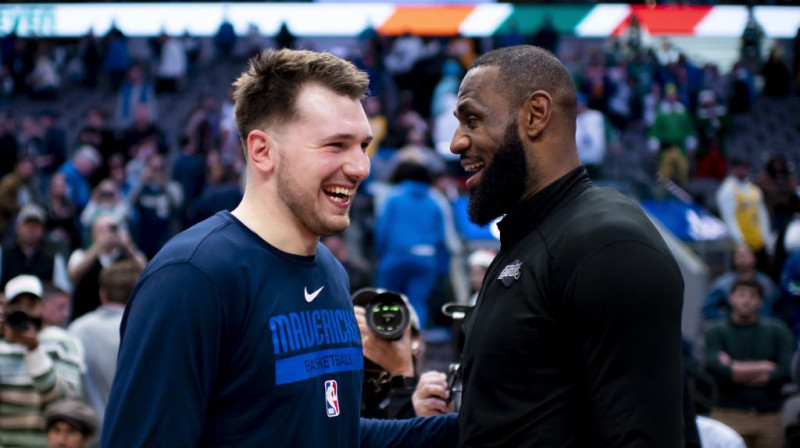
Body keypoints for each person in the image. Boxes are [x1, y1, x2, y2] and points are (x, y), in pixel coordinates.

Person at [102, 48, 457, 447]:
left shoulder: (330, 271)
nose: (361, 167)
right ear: (262, 151)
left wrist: (468, 428)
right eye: (336, 145)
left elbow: (329, 432)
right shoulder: (191, 277)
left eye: (362, 145)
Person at [449, 45, 684, 446]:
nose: (456, 142)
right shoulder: (529, 237)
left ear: (535, 115)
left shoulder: (609, 243)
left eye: (472, 120)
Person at [704, 278, 794, 448]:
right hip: (727, 414)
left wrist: (734, 367)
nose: (746, 301)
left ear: (761, 301)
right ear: (730, 298)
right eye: (741, 295)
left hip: (768, 417)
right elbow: (716, 369)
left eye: (752, 296)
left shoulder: (778, 330)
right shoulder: (715, 330)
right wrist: (765, 366)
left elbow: (786, 370)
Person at [0, 275, 84, 447]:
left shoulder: (62, 342)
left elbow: (63, 402)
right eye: (17, 306)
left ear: (42, 306)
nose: (24, 312)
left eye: (31, 304)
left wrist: (33, 350)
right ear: (6, 309)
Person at [68, 260, 142, 442]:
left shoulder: (77, 329)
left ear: (102, 294)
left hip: (86, 436)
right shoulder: (142, 329)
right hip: (131, 436)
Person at [716, 155, 772, 275]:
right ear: (733, 168)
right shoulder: (727, 190)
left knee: (763, 277)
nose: (743, 170)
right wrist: (740, 242)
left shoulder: (754, 189)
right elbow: (729, 219)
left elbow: (763, 215)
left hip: (759, 242)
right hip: (742, 246)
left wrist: (766, 237)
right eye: (739, 167)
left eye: (745, 167)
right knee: (742, 277)